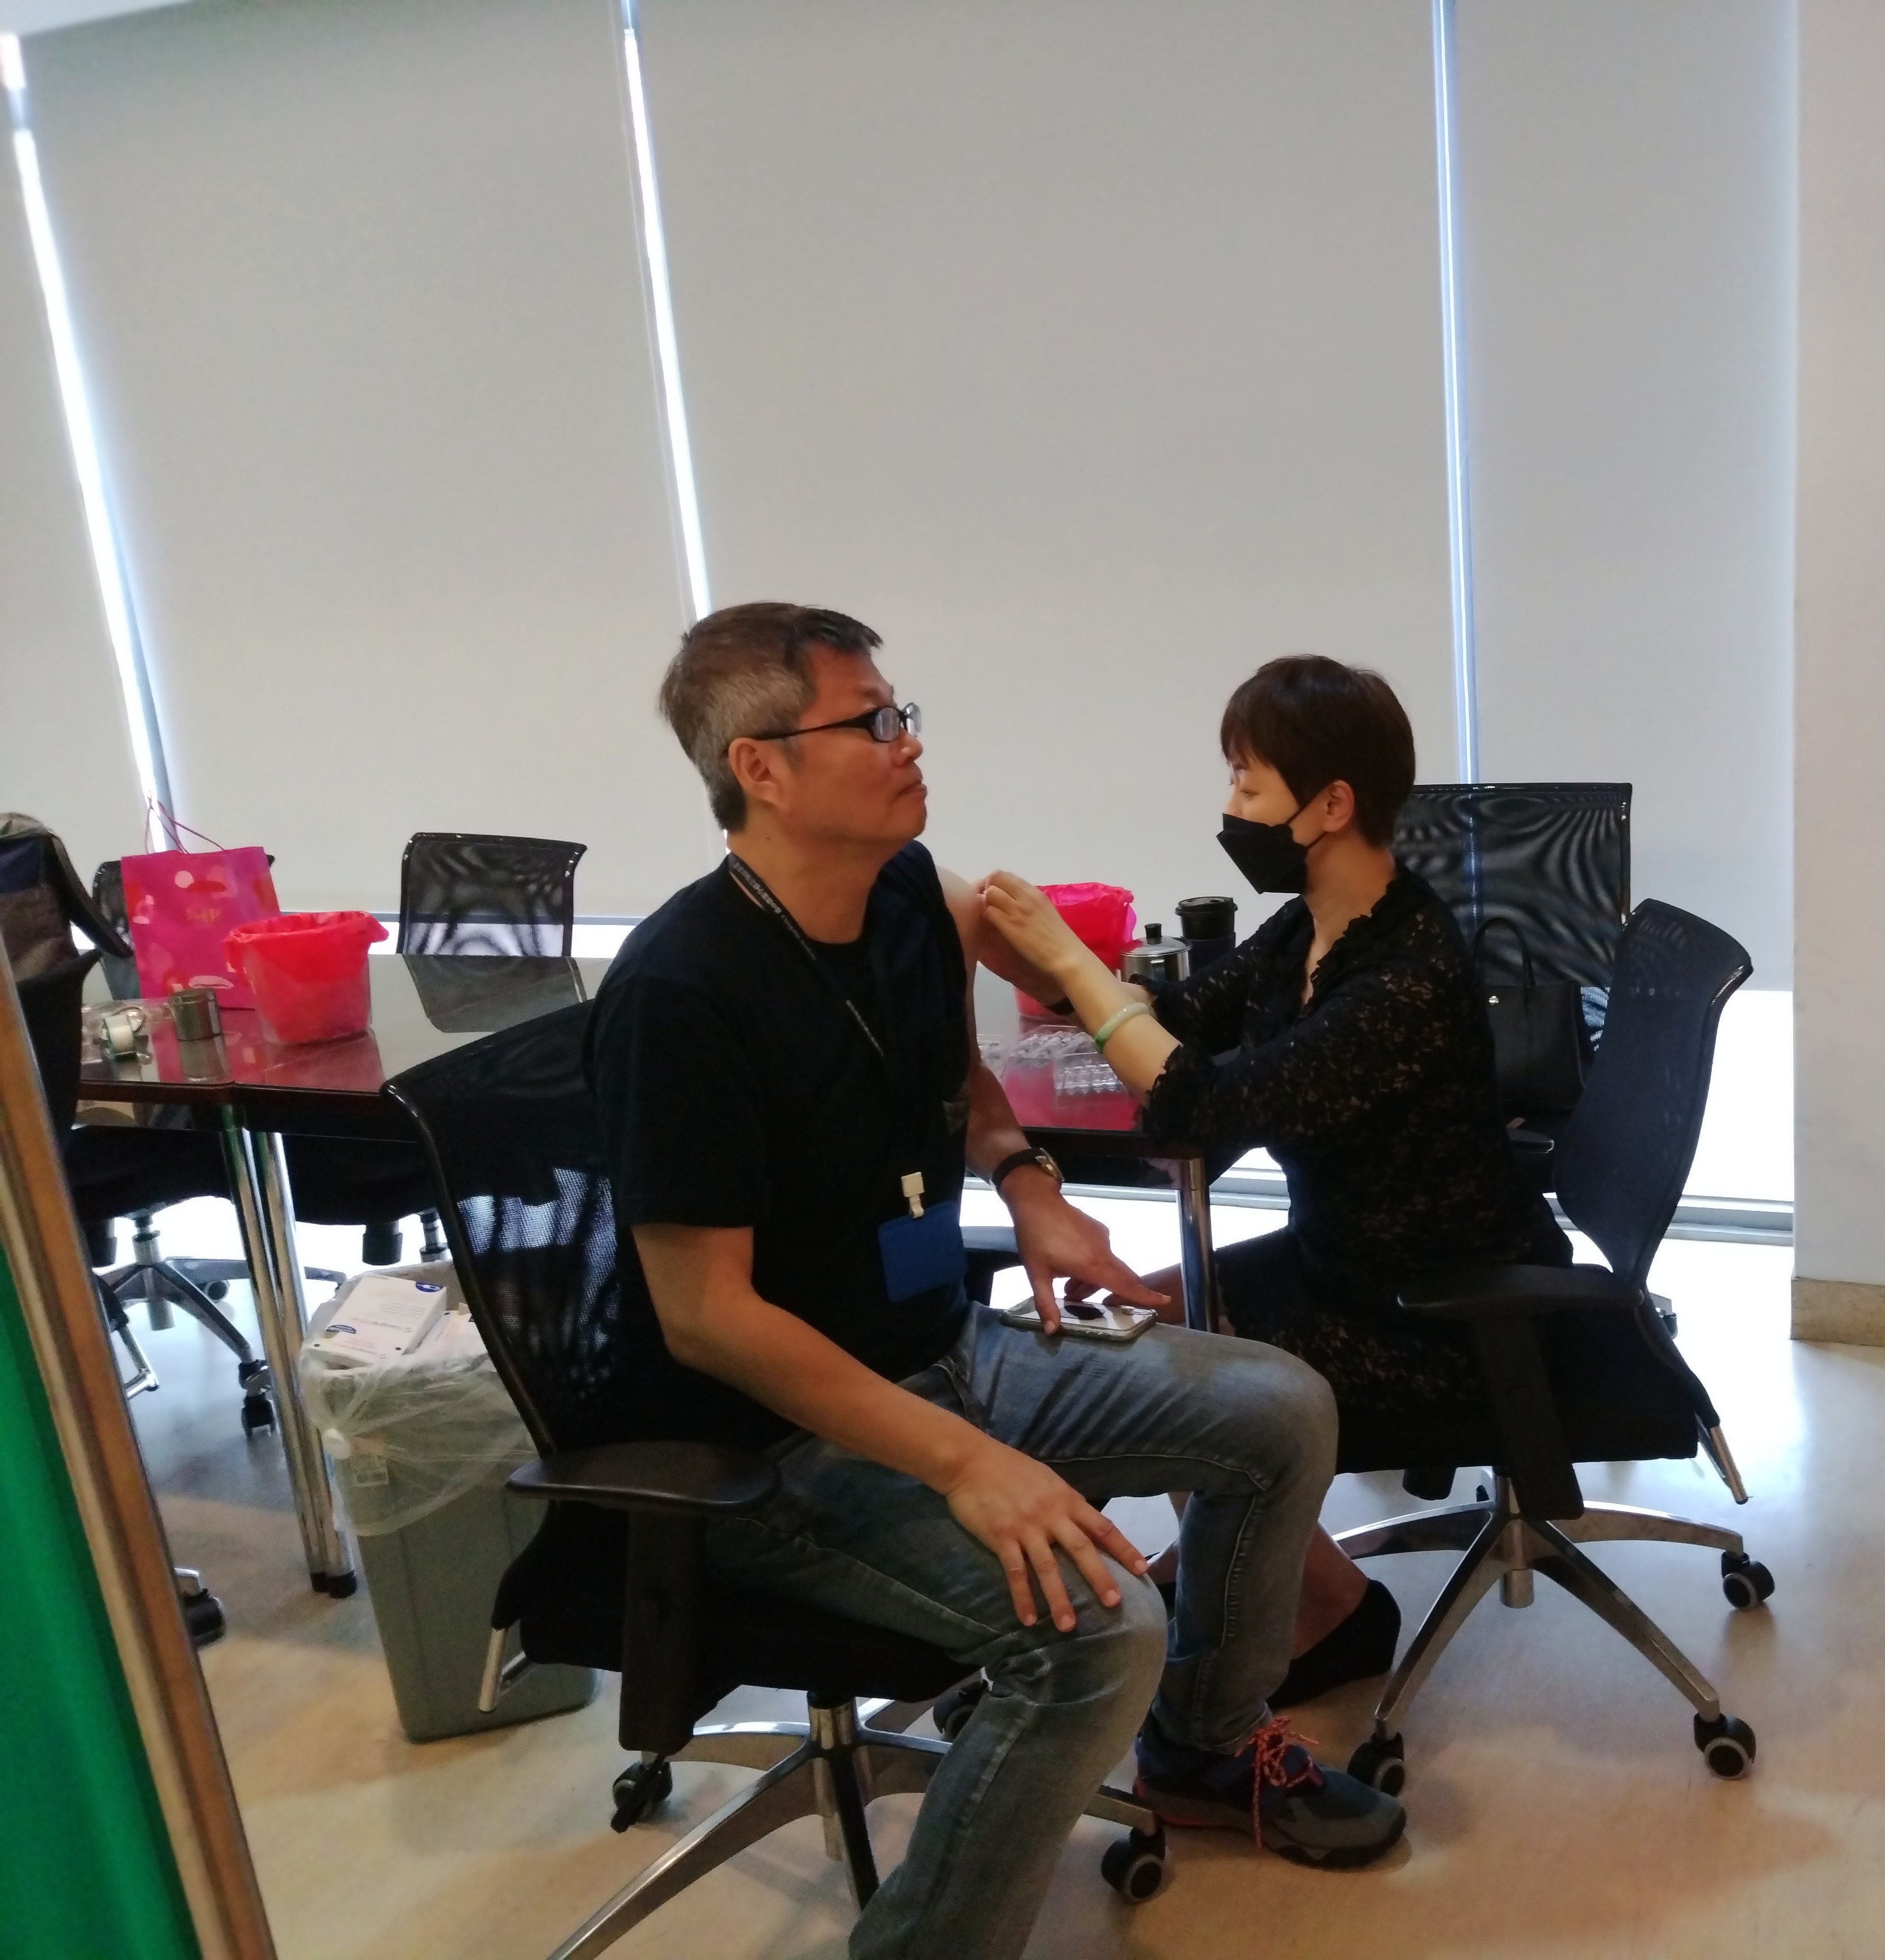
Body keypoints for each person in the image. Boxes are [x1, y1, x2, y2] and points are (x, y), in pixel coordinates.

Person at [588, 606, 1406, 1960]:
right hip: (772, 1447)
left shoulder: (906, 891)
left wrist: (1030, 1187)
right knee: (1099, 1633)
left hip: (943, 1348)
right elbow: (707, 1318)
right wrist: (969, 1465)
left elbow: (949, 1068)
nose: (908, 742)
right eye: (872, 722)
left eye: (901, 713)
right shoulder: (681, 991)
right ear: (762, 768)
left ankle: (1201, 1748)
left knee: (1278, 1408)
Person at [980, 654, 1572, 1707]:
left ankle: (1324, 1616)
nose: (1232, 807)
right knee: (1136, 1317)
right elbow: (1182, 1025)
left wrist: (1072, 965)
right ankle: (1257, 1580)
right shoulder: (1313, 928)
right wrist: (1062, 969)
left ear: (1331, 805)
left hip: (1433, 1313)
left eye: (1247, 784)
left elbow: (1204, 1107)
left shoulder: (1406, 975)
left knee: (1159, 1378)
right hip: (1342, 1261)